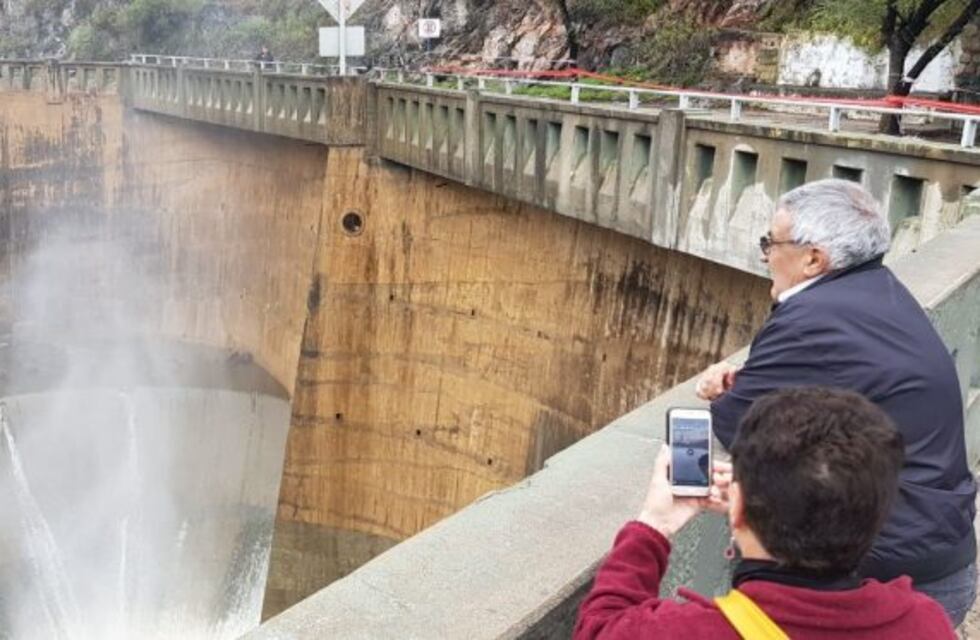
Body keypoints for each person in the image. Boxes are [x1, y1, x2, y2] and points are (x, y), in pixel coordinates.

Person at [696, 179, 977, 625]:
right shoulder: (878, 289)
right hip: (942, 554)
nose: (766, 255)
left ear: (813, 258)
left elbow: (745, 432)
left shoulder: (810, 317)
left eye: (771, 242)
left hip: (887, 576)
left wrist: (723, 394)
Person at [574, 387, 956, 639]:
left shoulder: (695, 632)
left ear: (735, 508)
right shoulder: (926, 623)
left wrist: (652, 526)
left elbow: (599, 627)